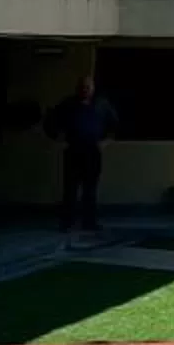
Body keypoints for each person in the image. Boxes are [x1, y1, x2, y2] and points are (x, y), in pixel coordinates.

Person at [48, 73, 117, 238]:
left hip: (92, 151)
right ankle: (67, 222)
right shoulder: (68, 104)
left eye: (88, 87)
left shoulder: (101, 104)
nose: (84, 90)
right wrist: (58, 139)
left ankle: (89, 221)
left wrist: (105, 142)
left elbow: (114, 125)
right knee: (70, 188)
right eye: (82, 87)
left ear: (93, 88)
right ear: (77, 88)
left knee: (90, 188)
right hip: (73, 150)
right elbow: (51, 121)